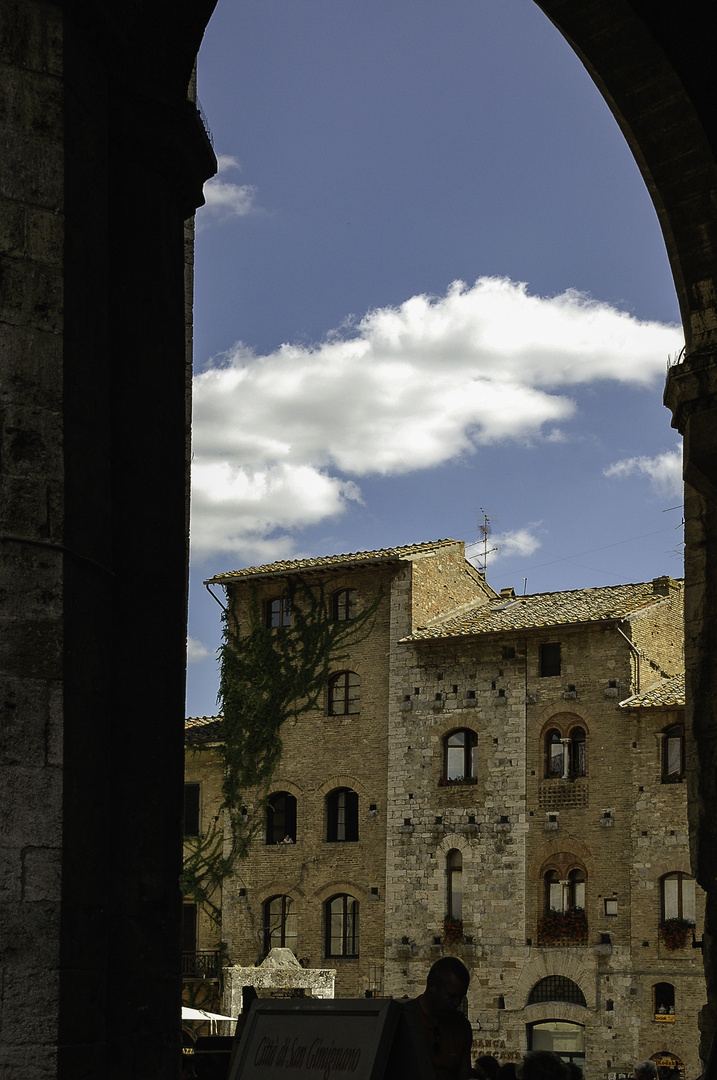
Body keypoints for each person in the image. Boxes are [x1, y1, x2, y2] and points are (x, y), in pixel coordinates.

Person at [410, 957, 473, 1080]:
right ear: (432, 986)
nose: (456, 1003)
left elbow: (463, 1074)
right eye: (451, 996)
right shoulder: (406, 1018)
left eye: (460, 997)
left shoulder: (462, 1027)